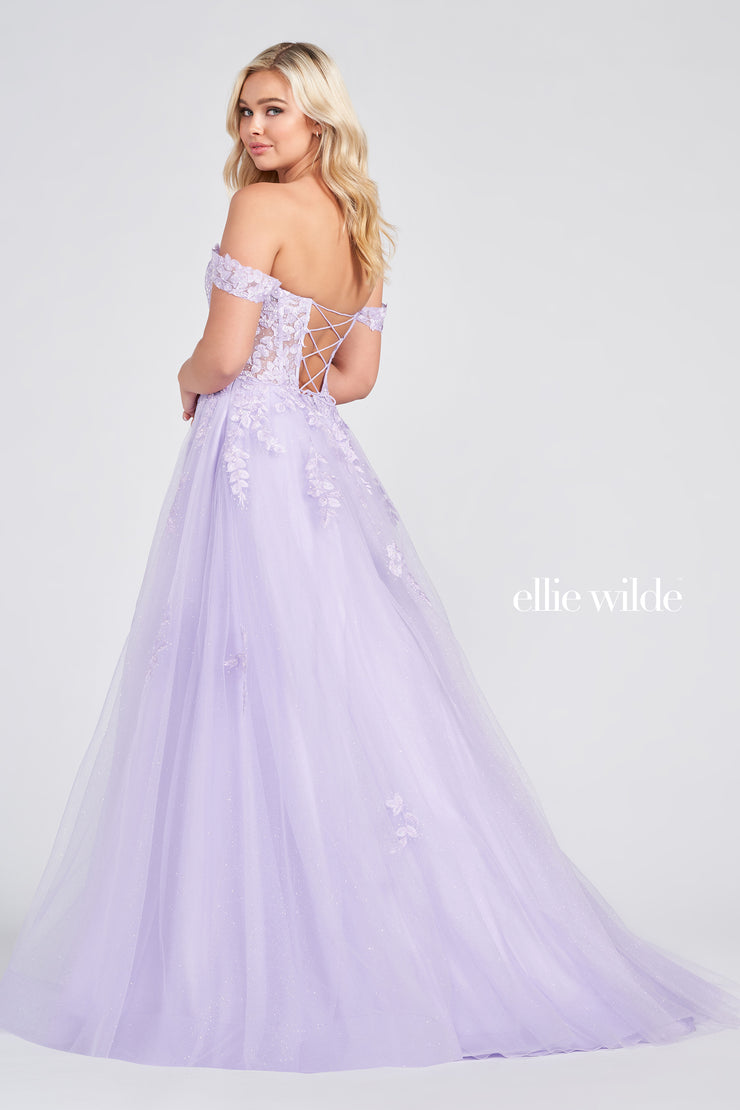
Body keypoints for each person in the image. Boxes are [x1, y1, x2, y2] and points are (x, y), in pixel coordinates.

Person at [0, 40, 738, 1075]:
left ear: (318, 117)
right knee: (333, 681)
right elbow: (354, 378)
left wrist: (189, 376)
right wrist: (289, 389)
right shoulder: (358, 224)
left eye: (274, 109)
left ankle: (241, 956)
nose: (254, 129)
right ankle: (357, 939)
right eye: (245, 111)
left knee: (238, 682)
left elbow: (223, 352)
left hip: (249, 458)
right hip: (316, 458)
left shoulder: (257, 209)